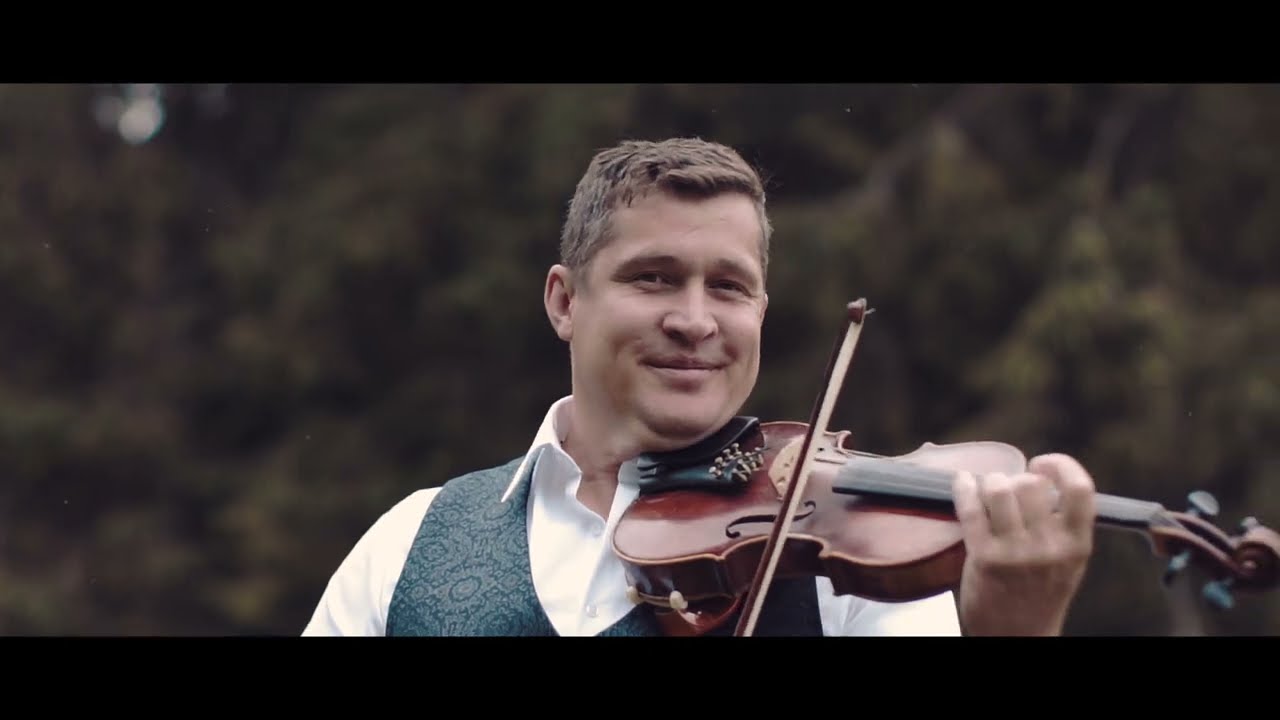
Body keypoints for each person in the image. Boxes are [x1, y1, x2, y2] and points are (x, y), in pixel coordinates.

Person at [302, 136, 1098, 637]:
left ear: (760, 312)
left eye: (728, 287)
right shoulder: (409, 544)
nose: (694, 320)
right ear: (565, 302)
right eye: (653, 278)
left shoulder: (850, 559)